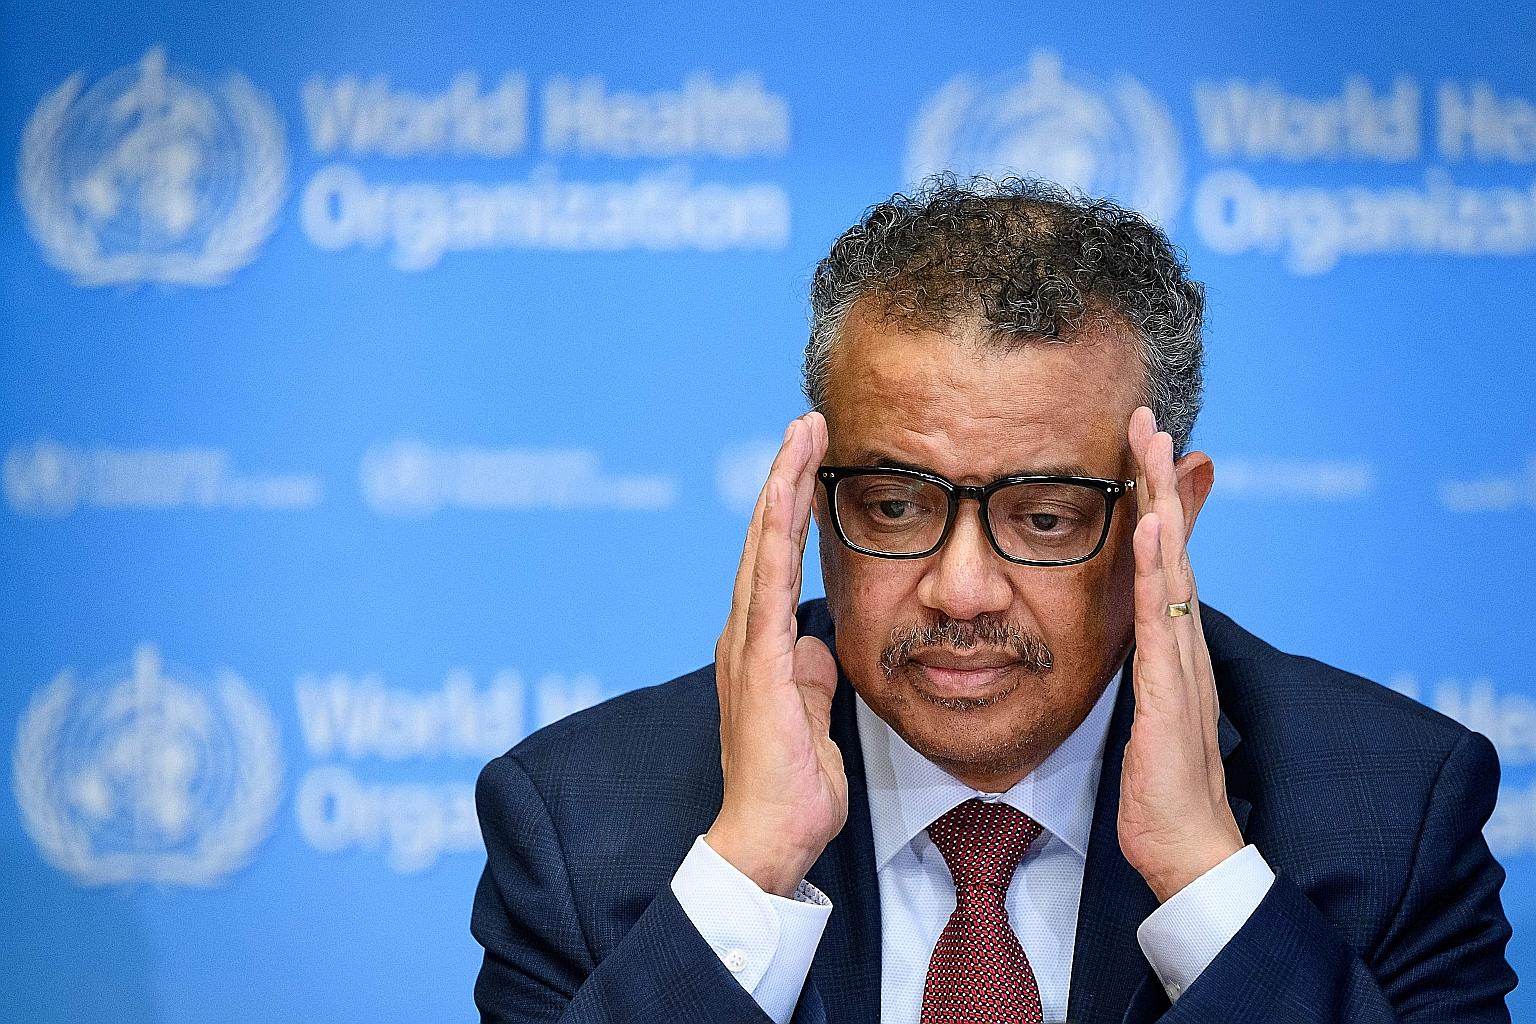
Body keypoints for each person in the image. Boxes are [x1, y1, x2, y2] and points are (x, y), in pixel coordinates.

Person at [470, 178, 1516, 1023]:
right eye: (891, 504)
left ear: (1171, 512)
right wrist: (747, 876)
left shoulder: (1390, 817)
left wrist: (1208, 882)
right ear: (814, 498)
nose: (961, 589)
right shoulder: (581, 822)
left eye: (1046, 518)